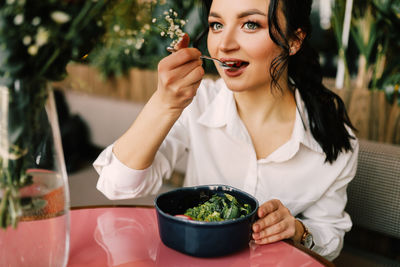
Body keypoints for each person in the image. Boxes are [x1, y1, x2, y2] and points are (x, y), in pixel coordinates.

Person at [94, 0, 358, 261]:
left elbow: (331, 235)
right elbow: (117, 186)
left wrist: (298, 230)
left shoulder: (333, 139)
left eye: (251, 24)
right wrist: (163, 104)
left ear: (294, 40)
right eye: (217, 25)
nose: (224, 44)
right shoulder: (196, 102)